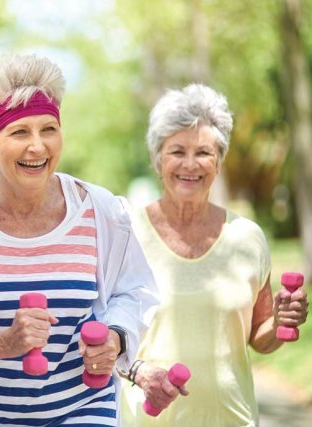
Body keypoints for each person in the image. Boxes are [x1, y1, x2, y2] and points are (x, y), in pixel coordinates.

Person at [0, 54, 160, 427]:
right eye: (19, 132)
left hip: (80, 410)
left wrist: (114, 336)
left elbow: (134, 292)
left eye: (48, 129)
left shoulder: (100, 210)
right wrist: (3, 343)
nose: (38, 146)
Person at [119, 83, 309, 426]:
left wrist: (280, 321)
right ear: (157, 159)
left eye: (204, 152)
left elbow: (258, 338)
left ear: (218, 162)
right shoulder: (126, 233)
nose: (190, 164)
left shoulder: (248, 239)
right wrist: (138, 372)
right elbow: (103, 337)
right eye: (177, 151)